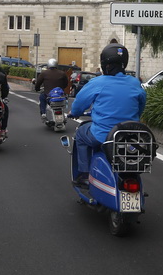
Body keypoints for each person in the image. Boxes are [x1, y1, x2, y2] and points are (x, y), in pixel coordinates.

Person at [68, 43, 146, 187]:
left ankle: (84, 174)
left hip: (102, 136)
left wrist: (74, 113)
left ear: (105, 65)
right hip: (130, 137)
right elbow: (141, 107)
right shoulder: (135, 83)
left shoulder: (98, 82)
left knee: (80, 134)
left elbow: (79, 104)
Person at [34, 58, 69, 122]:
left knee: (42, 97)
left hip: (48, 95)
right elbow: (66, 83)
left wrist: (37, 88)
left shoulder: (44, 73)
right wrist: (62, 89)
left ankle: (43, 113)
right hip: (60, 95)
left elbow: (38, 83)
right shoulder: (62, 73)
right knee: (63, 104)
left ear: (48, 65)